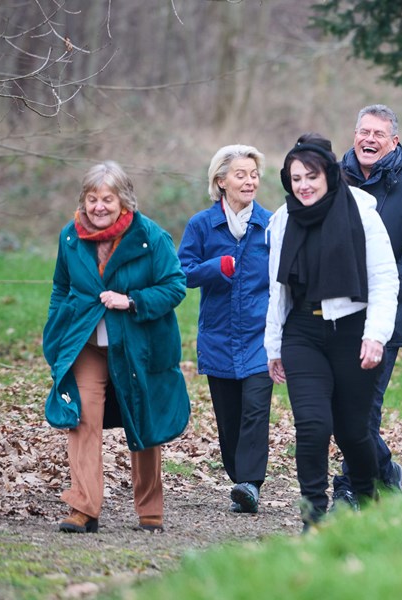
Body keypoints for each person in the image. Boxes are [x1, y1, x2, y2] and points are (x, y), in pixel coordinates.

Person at [43, 161, 190, 533]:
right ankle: (84, 507)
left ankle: (150, 508)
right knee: (82, 420)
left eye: (107, 198)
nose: (99, 207)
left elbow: (175, 285)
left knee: (143, 421)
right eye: (92, 199)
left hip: (137, 345)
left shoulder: (150, 236)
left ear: (123, 200)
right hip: (87, 345)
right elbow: (61, 287)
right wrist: (56, 331)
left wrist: (133, 301)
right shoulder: (70, 237)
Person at [265, 134, 399, 529]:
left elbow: (384, 279)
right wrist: (273, 344)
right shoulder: (283, 219)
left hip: (353, 331)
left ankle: (367, 500)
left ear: (328, 175)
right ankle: (314, 518)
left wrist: (375, 336)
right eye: (295, 178)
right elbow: (277, 289)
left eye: (311, 176)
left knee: (354, 432)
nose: (304, 185)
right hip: (303, 331)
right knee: (312, 425)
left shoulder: (362, 212)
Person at [332, 104, 402, 497]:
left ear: (394, 141)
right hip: (335, 313)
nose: (369, 139)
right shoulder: (333, 180)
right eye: (364, 132)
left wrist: (387, 290)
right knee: (337, 407)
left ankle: (349, 487)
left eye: (378, 134)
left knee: (363, 408)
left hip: (385, 316)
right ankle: (383, 469)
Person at [177, 145, 273, 514]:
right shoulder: (201, 225)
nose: (249, 181)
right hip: (218, 336)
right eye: (241, 174)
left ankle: (251, 482)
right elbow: (182, 274)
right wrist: (217, 266)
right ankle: (241, 479)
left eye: (253, 174)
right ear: (221, 181)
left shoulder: (270, 224)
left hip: (260, 337)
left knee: (254, 410)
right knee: (229, 419)